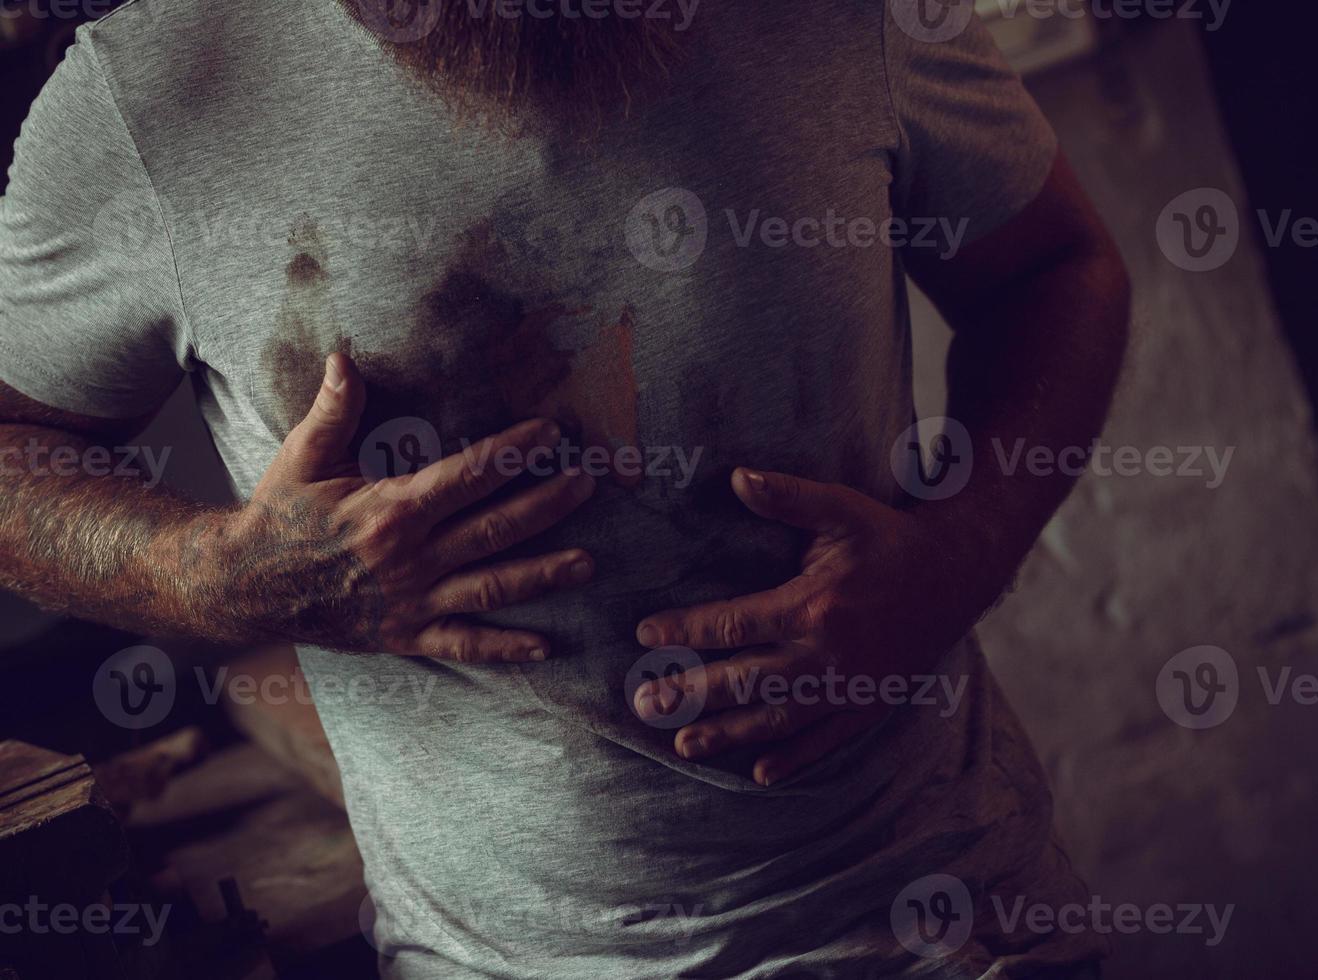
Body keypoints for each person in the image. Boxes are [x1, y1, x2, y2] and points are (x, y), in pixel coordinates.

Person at [0, 0, 1129, 976]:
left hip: (949, 917)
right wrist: (217, 576)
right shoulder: (148, 99)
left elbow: (1056, 270)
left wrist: (963, 550)